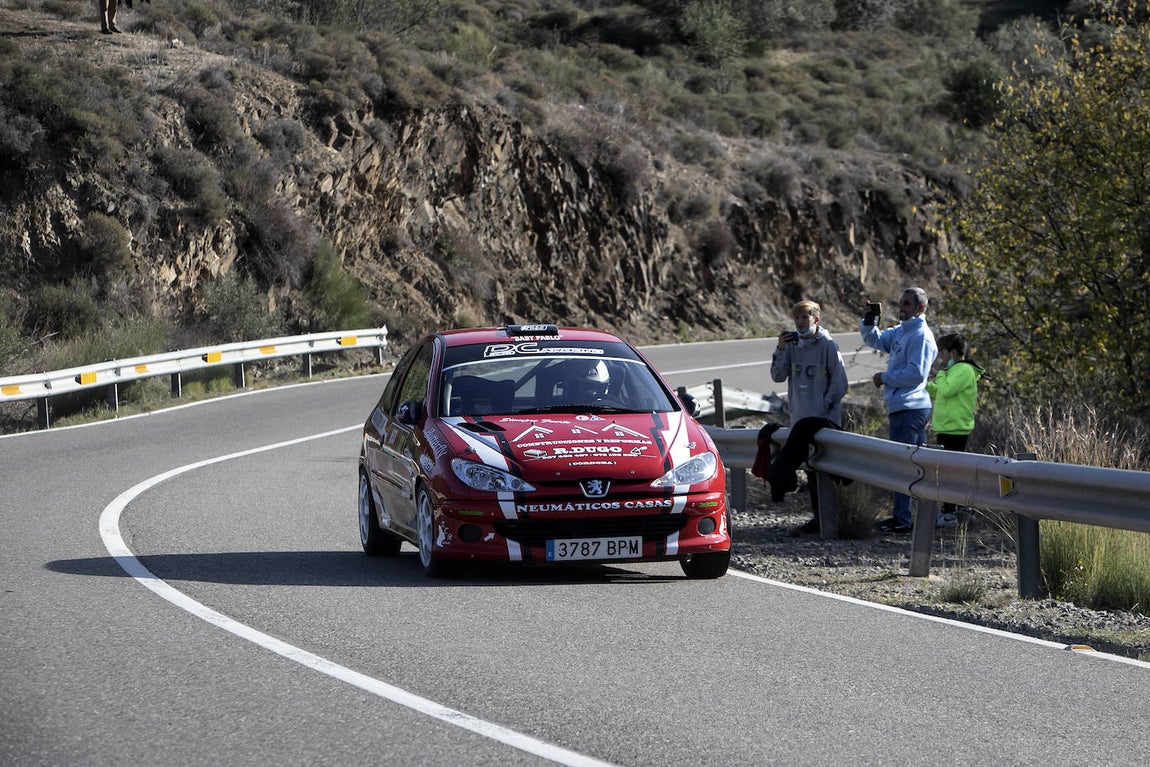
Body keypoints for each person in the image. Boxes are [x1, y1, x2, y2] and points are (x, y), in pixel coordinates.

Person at [859, 287, 938, 534]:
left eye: (906, 303)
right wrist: (871, 319)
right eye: (900, 302)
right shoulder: (902, 332)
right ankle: (918, 518)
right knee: (914, 465)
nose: (901, 307)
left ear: (920, 308)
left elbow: (916, 374)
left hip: (911, 408)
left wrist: (885, 377)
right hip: (902, 407)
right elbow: (875, 339)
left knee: (904, 465)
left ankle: (903, 518)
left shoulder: (921, 336)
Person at [770, 300, 849, 533]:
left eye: (805, 317)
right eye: (797, 318)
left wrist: (823, 406)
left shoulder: (827, 344)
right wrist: (780, 350)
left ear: (816, 319)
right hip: (799, 419)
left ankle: (832, 518)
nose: (801, 322)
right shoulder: (792, 345)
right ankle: (818, 518)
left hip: (823, 420)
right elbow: (777, 376)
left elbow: (840, 383)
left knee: (827, 470)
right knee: (810, 469)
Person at [926, 333, 985, 525]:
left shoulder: (963, 370)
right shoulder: (955, 371)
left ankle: (952, 511)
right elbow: (942, 392)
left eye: (942, 352)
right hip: (947, 427)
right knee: (950, 471)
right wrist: (926, 386)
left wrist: (941, 374)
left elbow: (947, 389)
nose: (941, 357)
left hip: (956, 428)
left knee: (950, 473)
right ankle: (959, 507)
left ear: (952, 352)